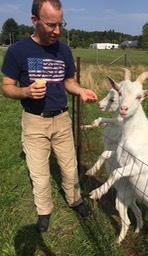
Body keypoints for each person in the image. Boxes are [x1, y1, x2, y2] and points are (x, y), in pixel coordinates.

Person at [1, 0, 98, 233]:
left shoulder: (64, 50)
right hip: (34, 121)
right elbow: (6, 87)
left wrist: (81, 90)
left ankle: (75, 200)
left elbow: (69, 82)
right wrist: (25, 91)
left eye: (60, 24)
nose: (57, 31)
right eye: (51, 25)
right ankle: (44, 211)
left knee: (69, 166)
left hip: (62, 120)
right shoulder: (17, 51)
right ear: (35, 20)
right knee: (40, 172)